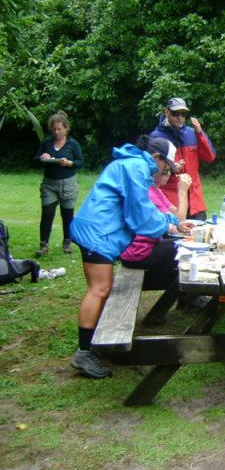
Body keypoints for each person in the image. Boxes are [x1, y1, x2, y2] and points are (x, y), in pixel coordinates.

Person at [69, 137, 193, 378]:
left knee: (102, 288)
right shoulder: (136, 167)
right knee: (99, 289)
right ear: (156, 157)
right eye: (166, 166)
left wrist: (172, 222)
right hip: (98, 232)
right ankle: (84, 352)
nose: (165, 171)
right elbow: (141, 215)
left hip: (99, 231)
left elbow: (144, 207)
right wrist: (168, 225)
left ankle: (92, 344)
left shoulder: (134, 165)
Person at [120, 137, 193, 291]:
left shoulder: (152, 188)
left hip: (140, 248)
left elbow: (171, 217)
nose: (168, 174)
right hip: (137, 252)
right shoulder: (147, 189)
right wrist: (182, 191)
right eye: (166, 169)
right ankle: (181, 292)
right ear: (155, 159)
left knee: (184, 248)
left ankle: (182, 292)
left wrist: (177, 224)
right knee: (186, 252)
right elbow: (176, 217)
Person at [150, 97, 216, 220]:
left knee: (202, 231)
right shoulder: (156, 137)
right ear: (167, 112)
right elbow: (152, 170)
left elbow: (210, 157)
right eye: (176, 113)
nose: (179, 117)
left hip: (195, 200)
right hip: (172, 200)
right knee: (177, 230)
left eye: (183, 114)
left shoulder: (192, 133)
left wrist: (200, 133)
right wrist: (171, 167)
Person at [33, 111, 84, 257]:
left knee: (67, 215)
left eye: (59, 129)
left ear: (66, 129)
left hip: (68, 184)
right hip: (49, 184)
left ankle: (67, 242)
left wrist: (69, 163)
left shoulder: (72, 144)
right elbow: (34, 161)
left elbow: (80, 162)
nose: (56, 132)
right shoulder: (47, 143)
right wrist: (42, 157)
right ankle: (43, 245)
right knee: (47, 214)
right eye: (54, 129)